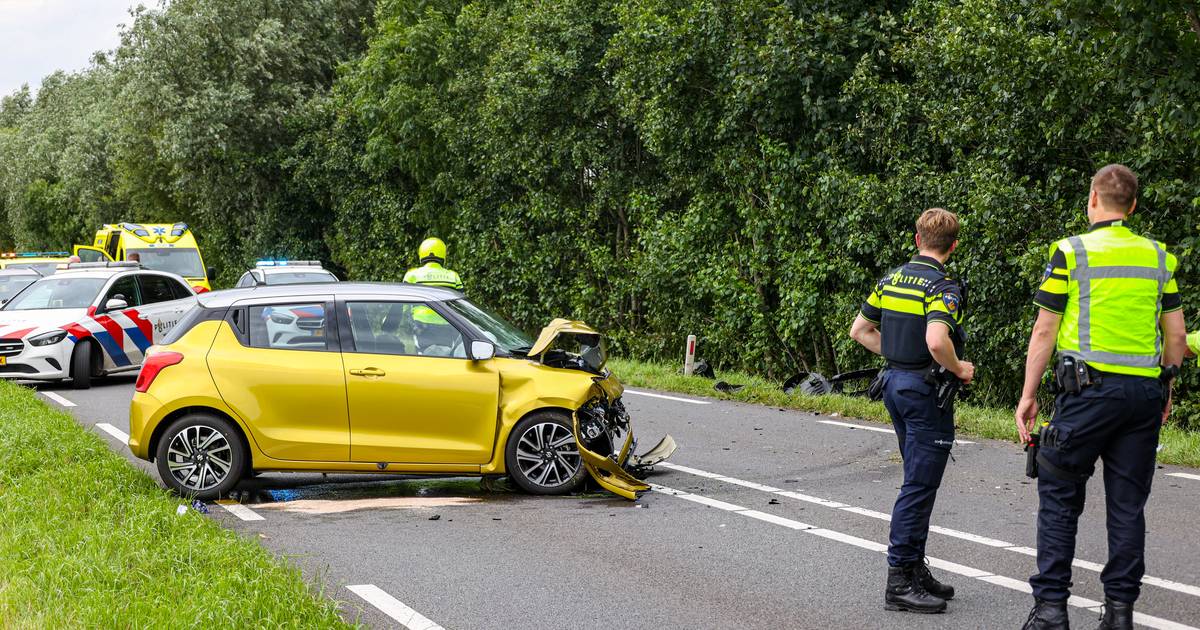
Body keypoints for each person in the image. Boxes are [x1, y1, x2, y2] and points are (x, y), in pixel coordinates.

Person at [1015, 164, 1186, 630]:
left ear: (1093, 199)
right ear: (1131, 206)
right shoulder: (1159, 258)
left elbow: (1045, 329)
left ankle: (1051, 610)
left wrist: (1028, 395)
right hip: (1142, 396)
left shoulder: (1070, 252)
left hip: (1085, 394)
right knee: (1127, 506)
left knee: (1059, 495)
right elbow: (1175, 336)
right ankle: (1119, 614)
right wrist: (1165, 385)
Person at [850, 207, 974, 615]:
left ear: (918, 239)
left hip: (895, 385)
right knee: (919, 486)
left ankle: (915, 569)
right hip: (924, 391)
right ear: (953, 246)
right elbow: (938, 340)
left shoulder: (892, 278)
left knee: (916, 479)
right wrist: (960, 368)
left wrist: (898, 353)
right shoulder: (943, 286)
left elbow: (860, 330)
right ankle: (899, 581)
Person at [403, 237, 464, 352]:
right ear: (443, 255)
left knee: (424, 357)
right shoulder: (453, 276)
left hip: (421, 324)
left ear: (422, 253)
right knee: (446, 356)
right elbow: (460, 306)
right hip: (448, 324)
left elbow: (404, 305)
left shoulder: (412, 275)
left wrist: (406, 321)